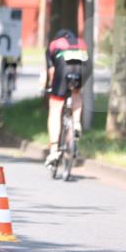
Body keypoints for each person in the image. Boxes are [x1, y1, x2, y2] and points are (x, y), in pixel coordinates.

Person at [44, 29, 91, 168]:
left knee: (55, 108)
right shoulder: (80, 42)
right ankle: (76, 122)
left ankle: (53, 150)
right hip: (83, 66)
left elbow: (52, 71)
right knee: (76, 93)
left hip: (63, 67)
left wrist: (51, 87)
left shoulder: (53, 45)